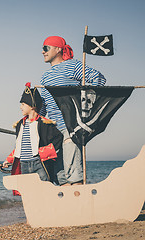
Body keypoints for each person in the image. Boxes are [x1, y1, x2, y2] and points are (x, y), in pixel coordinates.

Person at [39, 36, 106, 185]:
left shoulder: (72, 66)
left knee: (74, 173)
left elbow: (98, 78)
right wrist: (33, 123)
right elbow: (43, 105)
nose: (42, 52)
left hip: (71, 127)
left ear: (58, 49)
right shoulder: (45, 76)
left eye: (46, 48)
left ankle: (81, 202)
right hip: (53, 132)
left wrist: (86, 103)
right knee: (61, 176)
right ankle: (68, 205)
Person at [2, 83, 63, 187]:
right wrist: (9, 159)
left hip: (39, 163)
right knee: (28, 190)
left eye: (23, 104)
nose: (20, 107)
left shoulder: (45, 123)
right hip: (24, 164)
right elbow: (19, 146)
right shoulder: (19, 124)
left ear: (32, 106)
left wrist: (43, 152)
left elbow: (59, 137)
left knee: (45, 188)